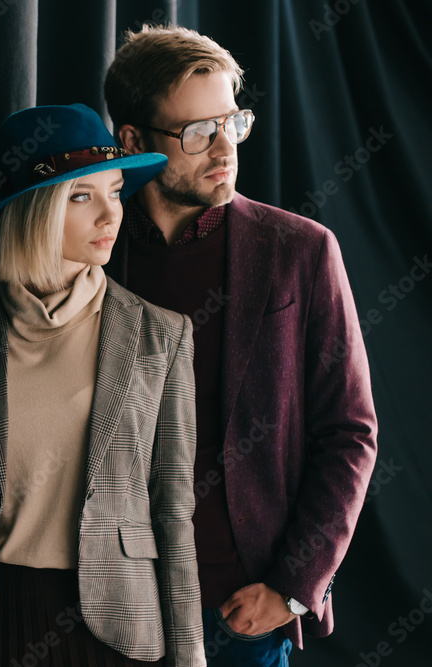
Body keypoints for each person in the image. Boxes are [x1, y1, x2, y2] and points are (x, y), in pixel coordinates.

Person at [102, 25, 379, 666]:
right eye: (197, 133)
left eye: (232, 121)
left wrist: (293, 588)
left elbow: (351, 432)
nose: (224, 147)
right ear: (133, 140)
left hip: (241, 612)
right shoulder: (96, 249)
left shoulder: (301, 251)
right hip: (109, 603)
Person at [0, 103, 205, 667]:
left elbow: (173, 508)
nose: (110, 215)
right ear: (33, 210)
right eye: (82, 196)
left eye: (116, 191)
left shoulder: (160, 336)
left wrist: (190, 653)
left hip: (115, 626)